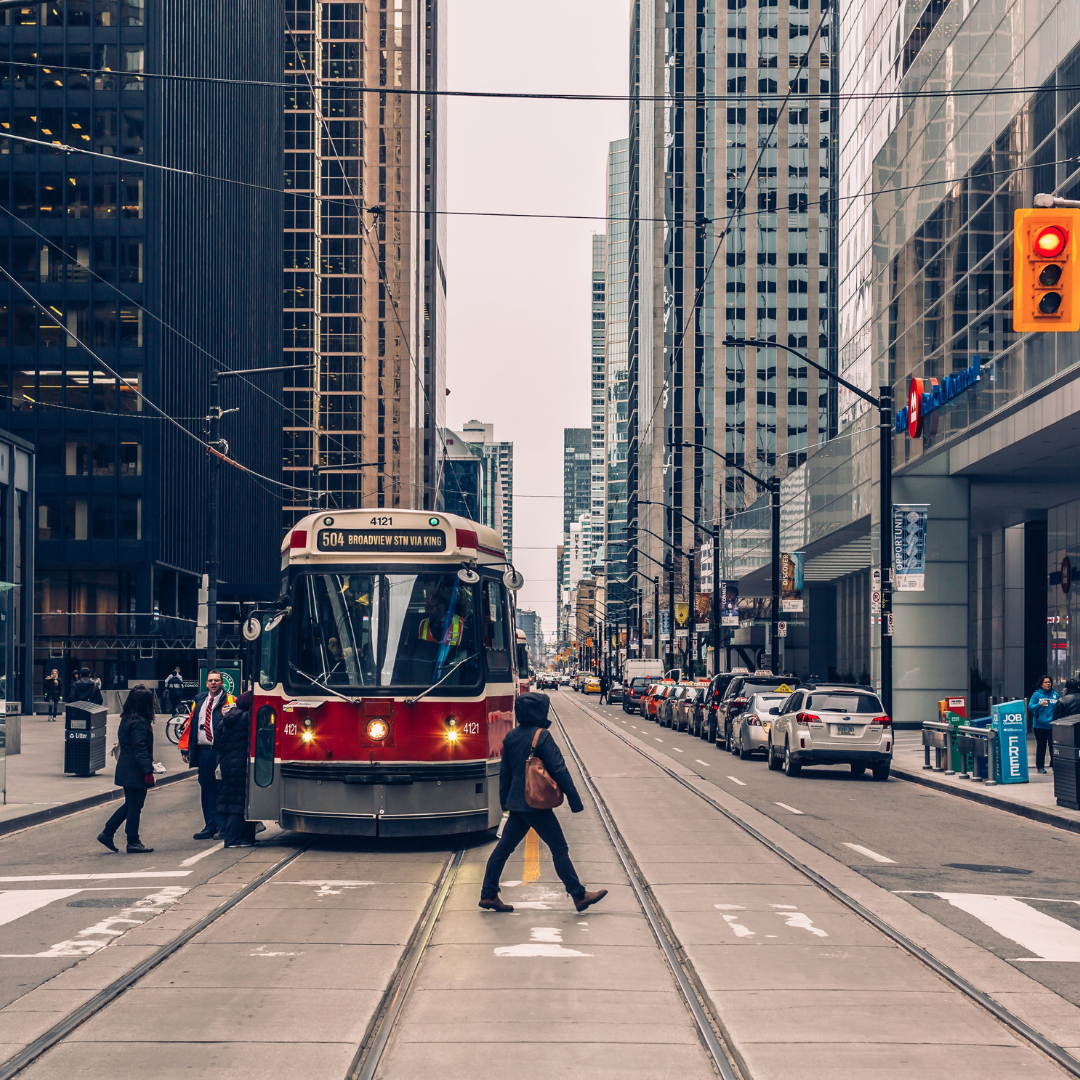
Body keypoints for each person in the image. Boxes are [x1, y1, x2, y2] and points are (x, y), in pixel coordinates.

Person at [479, 692, 607, 913]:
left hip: (518, 805)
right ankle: (578, 895)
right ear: (539, 711)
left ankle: (488, 895)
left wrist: (505, 804)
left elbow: (504, 775)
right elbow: (559, 769)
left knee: (503, 849)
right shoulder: (542, 736)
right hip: (535, 804)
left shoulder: (510, 737)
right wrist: (575, 800)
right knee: (559, 848)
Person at [97, 685, 156, 854]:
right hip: (135, 770)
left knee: (130, 804)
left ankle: (107, 833)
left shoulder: (127, 718)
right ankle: (133, 841)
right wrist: (147, 771)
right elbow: (140, 748)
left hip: (125, 766)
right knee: (135, 806)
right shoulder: (139, 722)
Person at [180, 670, 235, 839]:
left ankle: (222, 826)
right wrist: (185, 748)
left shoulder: (231, 700)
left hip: (220, 752)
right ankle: (210, 825)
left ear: (222, 683)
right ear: (206, 683)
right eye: (210, 680)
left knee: (221, 789)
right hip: (203, 752)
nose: (213, 683)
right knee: (206, 789)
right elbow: (191, 724)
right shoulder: (200, 700)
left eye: (216, 680)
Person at [216, 689, 258, 848]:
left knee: (237, 799)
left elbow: (217, 741)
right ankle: (232, 839)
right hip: (242, 762)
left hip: (229, 762)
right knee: (240, 802)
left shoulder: (228, 716)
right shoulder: (248, 717)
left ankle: (246, 838)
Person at [1028, 675, 1059, 774]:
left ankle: (1054, 766)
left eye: (1049, 682)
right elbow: (1030, 707)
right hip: (1039, 725)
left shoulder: (1055, 694)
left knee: (1053, 745)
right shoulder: (1037, 695)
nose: (1048, 684)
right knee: (1041, 746)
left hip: (1052, 725)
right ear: (1041, 684)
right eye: (1045, 682)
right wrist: (1039, 704)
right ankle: (1040, 767)